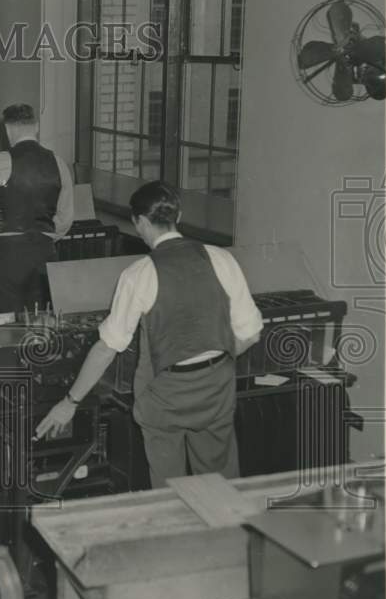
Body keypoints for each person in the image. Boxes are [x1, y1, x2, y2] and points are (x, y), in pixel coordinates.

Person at [35, 181, 264, 488]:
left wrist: (70, 402)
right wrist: (216, 363)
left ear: (140, 222)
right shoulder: (222, 259)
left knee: (171, 490)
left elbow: (107, 349)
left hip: (166, 394)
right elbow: (250, 333)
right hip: (217, 389)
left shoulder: (139, 274)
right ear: (178, 216)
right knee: (220, 484)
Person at [0, 103, 74, 314]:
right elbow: (65, 218)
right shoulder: (59, 163)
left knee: (10, 321)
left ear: (8, 130)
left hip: (9, 253)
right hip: (45, 252)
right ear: (36, 127)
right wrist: (44, 236)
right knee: (42, 318)